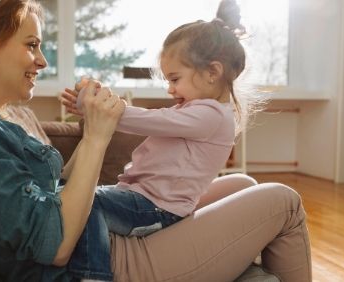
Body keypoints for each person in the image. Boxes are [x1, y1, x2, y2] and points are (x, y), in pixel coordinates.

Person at [0, 0, 312, 281]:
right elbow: (54, 242)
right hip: (116, 260)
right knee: (284, 200)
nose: (43, 60)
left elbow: (51, 190)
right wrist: (97, 135)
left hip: (117, 227)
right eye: (32, 45)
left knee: (244, 184)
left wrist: (99, 129)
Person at [60, 1, 257, 280]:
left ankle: (92, 275)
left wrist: (105, 107)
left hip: (158, 209)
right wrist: (95, 106)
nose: (170, 88)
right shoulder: (198, 110)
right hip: (144, 200)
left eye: (175, 79)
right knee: (84, 196)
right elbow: (154, 119)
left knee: (89, 201)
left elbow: (152, 119)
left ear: (213, 72)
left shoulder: (211, 115)